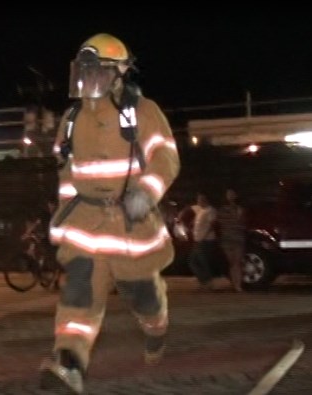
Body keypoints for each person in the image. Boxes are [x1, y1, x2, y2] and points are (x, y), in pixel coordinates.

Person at [38, 33, 180, 394]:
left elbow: (165, 158)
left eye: (96, 71)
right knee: (79, 293)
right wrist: (61, 222)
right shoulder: (71, 119)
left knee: (142, 294)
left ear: (119, 73)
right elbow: (67, 174)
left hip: (131, 229)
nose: (88, 80)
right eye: (83, 71)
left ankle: (156, 329)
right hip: (86, 226)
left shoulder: (144, 112)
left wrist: (146, 193)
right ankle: (69, 363)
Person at [188, 192, 220, 291]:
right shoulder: (201, 210)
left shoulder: (211, 210)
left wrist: (204, 235)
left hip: (206, 240)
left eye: (200, 199)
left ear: (205, 200)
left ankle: (208, 283)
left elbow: (212, 225)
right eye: (198, 199)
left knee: (202, 261)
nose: (198, 201)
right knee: (194, 261)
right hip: (198, 240)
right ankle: (204, 281)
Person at [216, 188, 246, 293]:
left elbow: (242, 222)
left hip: (237, 238)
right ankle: (235, 284)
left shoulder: (240, 209)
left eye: (232, 194)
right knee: (232, 262)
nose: (230, 196)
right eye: (228, 194)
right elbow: (219, 223)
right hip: (227, 238)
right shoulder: (222, 210)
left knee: (236, 262)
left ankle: (238, 285)